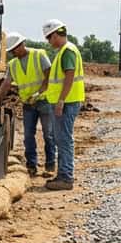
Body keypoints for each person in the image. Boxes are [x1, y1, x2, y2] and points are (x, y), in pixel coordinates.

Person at [0, 32, 54, 176]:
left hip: (44, 101)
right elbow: (6, 83)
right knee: (28, 136)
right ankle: (32, 165)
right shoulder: (13, 64)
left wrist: (37, 94)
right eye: (10, 51)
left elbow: (50, 76)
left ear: (21, 44)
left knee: (48, 134)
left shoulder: (39, 55)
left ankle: (50, 165)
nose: (12, 53)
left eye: (14, 50)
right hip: (28, 104)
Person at [41, 18, 85, 191]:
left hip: (67, 103)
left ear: (56, 34)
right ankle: (62, 174)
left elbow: (69, 76)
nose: (48, 41)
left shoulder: (68, 51)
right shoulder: (63, 51)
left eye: (49, 38)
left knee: (64, 140)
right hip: (65, 102)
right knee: (61, 139)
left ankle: (66, 177)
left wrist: (61, 101)